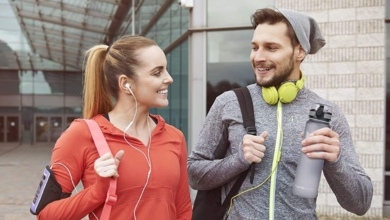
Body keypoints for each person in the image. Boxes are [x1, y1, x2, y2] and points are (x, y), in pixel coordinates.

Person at [187, 8, 373, 219]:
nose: (258, 57)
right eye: (255, 47)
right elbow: (194, 175)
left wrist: (335, 160)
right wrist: (238, 159)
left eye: (271, 48)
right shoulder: (228, 103)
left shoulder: (327, 114)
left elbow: (361, 203)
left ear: (299, 51)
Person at [37, 35, 193, 220]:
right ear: (125, 84)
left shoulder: (175, 137)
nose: (169, 79)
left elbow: (183, 209)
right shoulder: (83, 134)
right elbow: (46, 214)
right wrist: (98, 191)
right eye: (157, 72)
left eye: (166, 70)